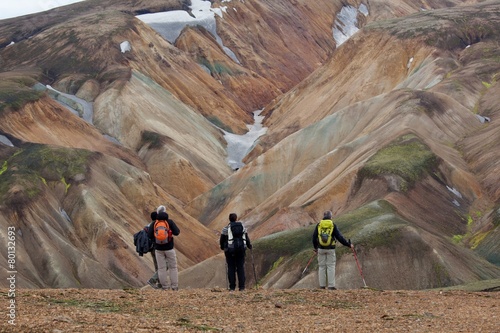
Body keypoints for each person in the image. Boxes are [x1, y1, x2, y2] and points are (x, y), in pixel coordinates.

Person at [312, 210, 353, 290]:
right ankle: (331, 286)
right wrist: (348, 244)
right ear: (331, 217)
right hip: (331, 249)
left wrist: (316, 248)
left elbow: (314, 237)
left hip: (320, 248)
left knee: (321, 267)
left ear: (323, 216)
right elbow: (340, 237)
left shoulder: (319, 225)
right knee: (331, 266)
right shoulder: (333, 225)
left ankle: (322, 286)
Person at [148, 205, 180, 291]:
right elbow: (177, 232)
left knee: (161, 268)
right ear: (165, 212)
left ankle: (165, 287)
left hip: (158, 249)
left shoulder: (154, 223)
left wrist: (156, 239)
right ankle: (174, 286)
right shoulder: (169, 222)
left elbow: (150, 235)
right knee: (173, 267)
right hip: (169, 248)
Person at [219, 213, 252, 291]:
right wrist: (249, 246)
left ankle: (232, 287)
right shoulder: (242, 227)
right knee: (240, 267)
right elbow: (246, 238)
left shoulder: (225, 229)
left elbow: (222, 240)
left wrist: (223, 247)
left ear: (229, 219)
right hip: (241, 250)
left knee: (231, 268)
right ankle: (242, 287)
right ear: (236, 218)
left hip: (229, 251)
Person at [146, 211, 161, 289]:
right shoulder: (156, 225)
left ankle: (159, 284)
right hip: (157, 248)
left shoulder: (148, 225)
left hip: (151, 248)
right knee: (164, 265)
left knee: (157, 267)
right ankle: (153, 280)